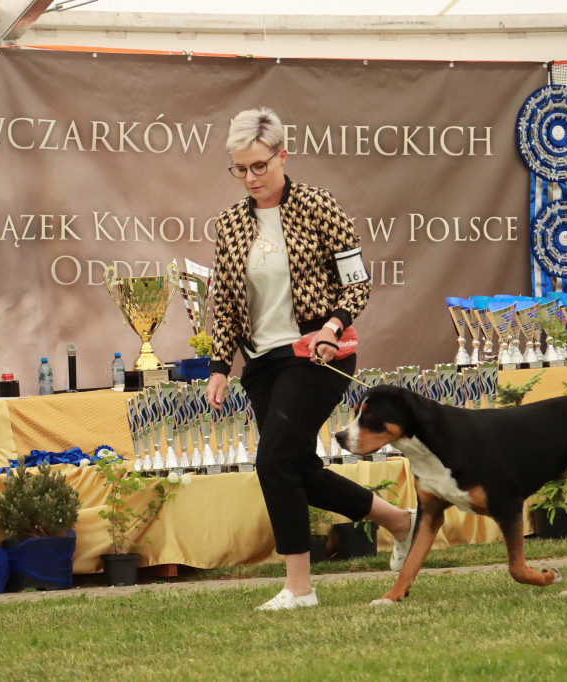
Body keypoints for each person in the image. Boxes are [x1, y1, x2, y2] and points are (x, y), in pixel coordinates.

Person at [205, 107, 415, 611]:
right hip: (261, 362)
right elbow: (227, 305)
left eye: (259, 166)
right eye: (240, 169)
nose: (250, 178)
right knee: (295, 464)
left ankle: (299, 587)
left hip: (319, 353)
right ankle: (401, 521)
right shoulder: (230, 225)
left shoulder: (320, 206)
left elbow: (357, 279)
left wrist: (332, 324)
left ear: (282, 155)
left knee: (273, 459)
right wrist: (219, 367)